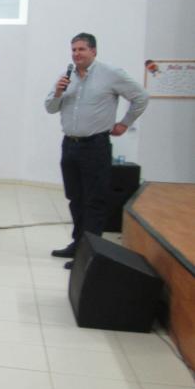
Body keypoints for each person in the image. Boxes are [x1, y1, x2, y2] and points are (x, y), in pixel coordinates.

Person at [45, 33, 148, 268]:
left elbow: (141, 97)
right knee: (75, 198)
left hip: (95, 146)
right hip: (69, 145)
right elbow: (50, 108)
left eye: (81, 49)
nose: (76, 54)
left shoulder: (111, 74)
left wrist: (125, 123)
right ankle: (77, 243)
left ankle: (88, 252)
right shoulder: (67, 77)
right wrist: (59, 92)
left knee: (94, 200)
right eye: (73, 49)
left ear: (93, 51)